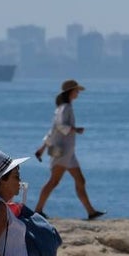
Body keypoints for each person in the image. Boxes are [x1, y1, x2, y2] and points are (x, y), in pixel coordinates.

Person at [33, 79, 105, 221]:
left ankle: (91, 211)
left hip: (67, 152)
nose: (78, 93)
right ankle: (38, 210)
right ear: (70, 92)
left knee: (80, 180)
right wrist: (75, 129)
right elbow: (60, 126)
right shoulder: (65, 108)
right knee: (54, 181)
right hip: (62, 151)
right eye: (76, 90)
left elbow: (52, 131)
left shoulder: (62, 108)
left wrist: (42, 148)